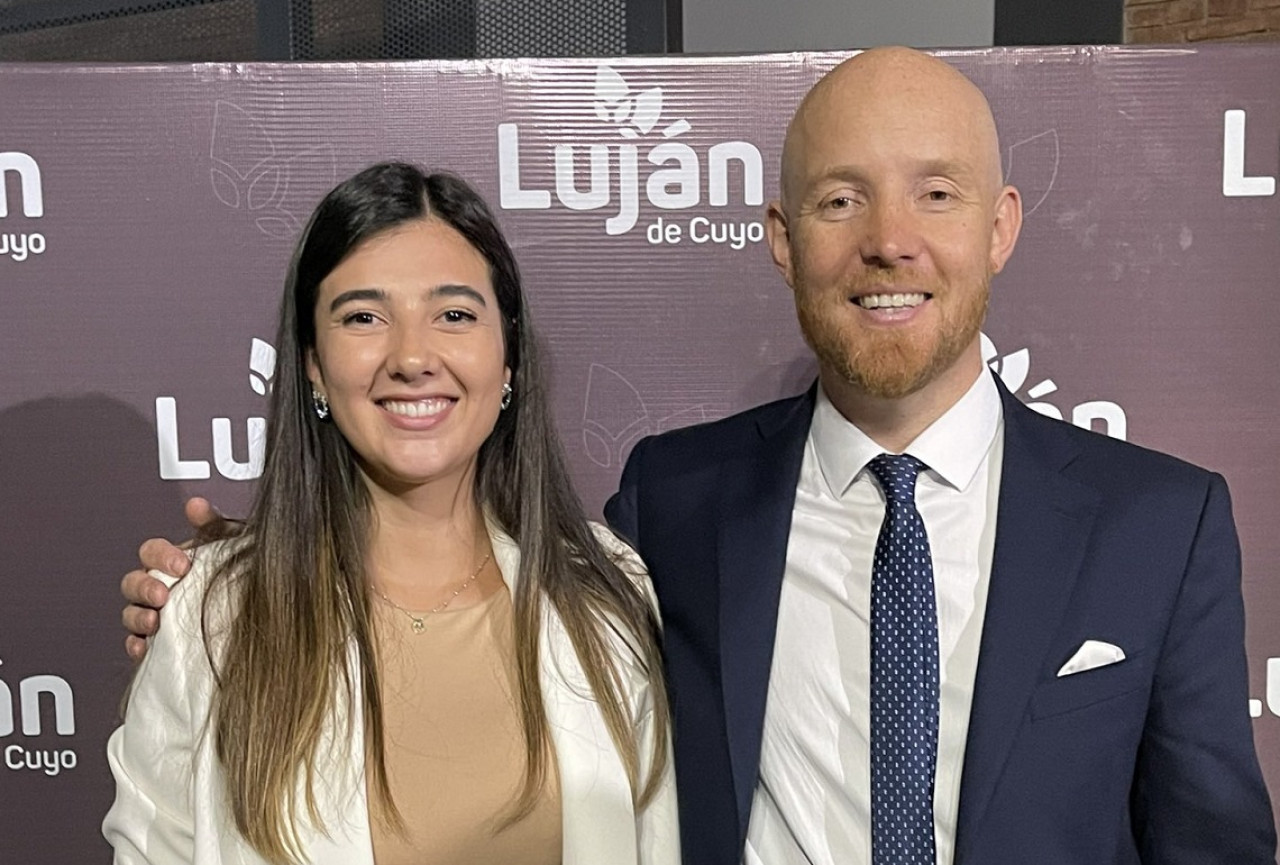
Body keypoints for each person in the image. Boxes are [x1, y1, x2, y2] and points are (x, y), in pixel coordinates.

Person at [123, 48, 1275, 864]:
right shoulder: (670, 511)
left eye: (935, 193)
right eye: (836, 198)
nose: (887, 239)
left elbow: (1210, 844)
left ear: (999, 225)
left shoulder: (1156, 526)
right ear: (780, 240)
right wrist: (219, 588)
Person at [105, 162, 679, 865]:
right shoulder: (215, 615)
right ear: (313, 364)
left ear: (509, 360)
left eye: (455, 315)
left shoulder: (607, 592)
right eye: (365, 317)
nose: (412, 356)